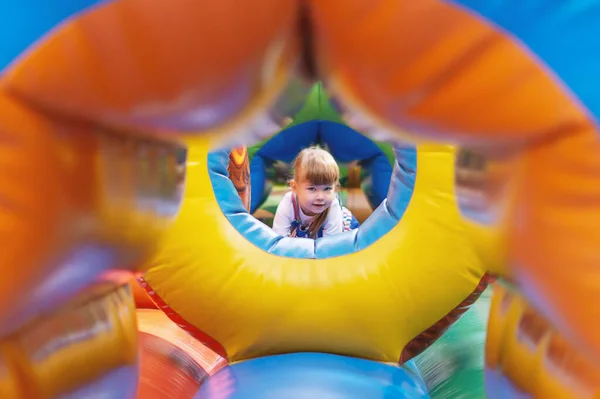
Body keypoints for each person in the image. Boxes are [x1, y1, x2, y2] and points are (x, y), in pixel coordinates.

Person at [272, 146, 346, 239]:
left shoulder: (332, 207)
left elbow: (331, 247)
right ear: (295, 187)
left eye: (327, 188)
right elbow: (278, 240)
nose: (320, 197)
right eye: (312, 189)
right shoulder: (288, 204)